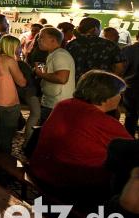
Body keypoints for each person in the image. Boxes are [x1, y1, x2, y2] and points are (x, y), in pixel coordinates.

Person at [30, 70, 133, 206]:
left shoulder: (64, 105)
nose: (121, 97)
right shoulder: (100, 120)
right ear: (107, 96)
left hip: (43, 171)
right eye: (119, 93)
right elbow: (132, 149)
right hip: (73, 184)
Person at [35, 27, 76, 123]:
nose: (38, 40)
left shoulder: (60, 55)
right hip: (51, 102)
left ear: (53, 40)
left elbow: (62, 78)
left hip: (57, 104)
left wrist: (41, 74)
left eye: (41, 37)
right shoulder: (52, 54)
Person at [122, 34, 139, 136]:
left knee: (130, 115)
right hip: (131, 86)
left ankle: (129, 138)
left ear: (137, 37)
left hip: (130, 86)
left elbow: (122, 68)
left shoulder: (127, 50)